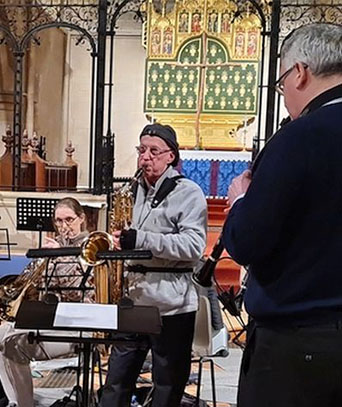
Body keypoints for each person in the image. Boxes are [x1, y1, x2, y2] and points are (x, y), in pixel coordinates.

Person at [222, 23, 342, 407]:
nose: (286, 95)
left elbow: (248, 241)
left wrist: (241, 200)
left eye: (282, 84)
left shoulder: (299, 137)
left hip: (298, 346)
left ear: (300, 73)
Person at [100, 123, 207, 407]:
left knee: (167, 387)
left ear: (171, 155)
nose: (145, 157)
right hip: (132, 300)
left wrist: (141, 239)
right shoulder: (130, 191)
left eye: (154, 151)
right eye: (141, 150)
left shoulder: (189, 192)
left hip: (171, 304)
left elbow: (194, 247)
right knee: (115, 384)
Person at [0, 197, 94, 407]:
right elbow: (41, 290)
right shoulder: (55, 246)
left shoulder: (91, 246)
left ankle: (25, 404)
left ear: (81, 218)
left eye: (69, 220)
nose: (64, 227)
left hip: (78, 322)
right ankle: (15, 401)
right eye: (58, 221)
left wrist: (57, 258)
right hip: (50, 317)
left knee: (12, 345)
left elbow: (79, 291)